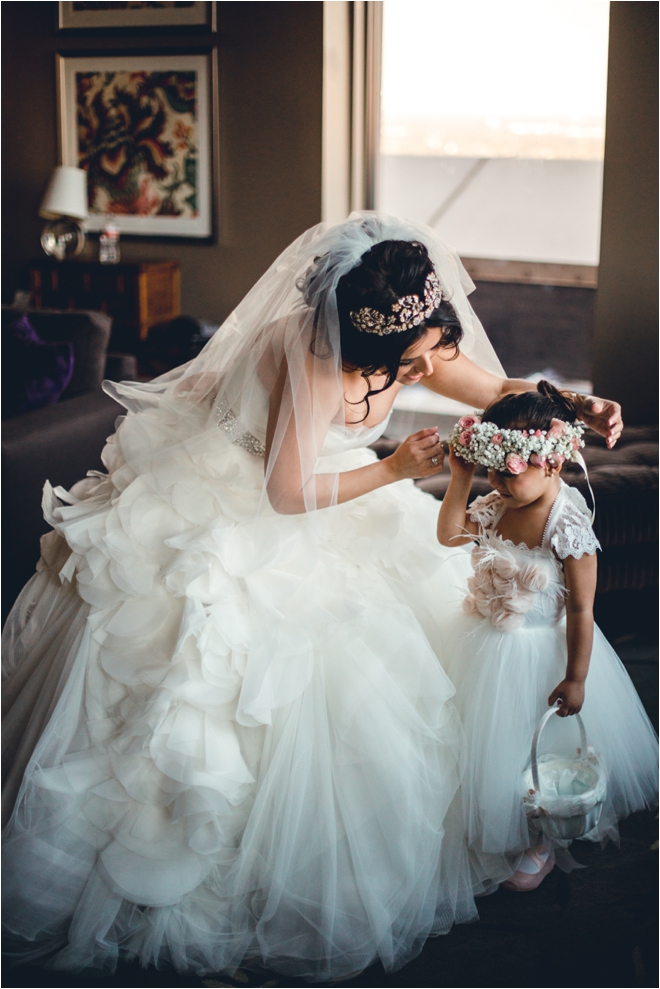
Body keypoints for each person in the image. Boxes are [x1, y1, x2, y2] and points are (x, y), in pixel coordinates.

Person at [2, 213, 623, 981]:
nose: (431, 367)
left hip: (333, 476)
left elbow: (498, 388)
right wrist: (396, 471)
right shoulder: (313, 353)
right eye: (415, 359)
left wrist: (576, 406)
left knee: (419, 632)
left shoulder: (413, 337)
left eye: (438, 345)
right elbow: (286, 491)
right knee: (241, 668)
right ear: (364, 348)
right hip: (247, 493)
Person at [437, 382, 658, 893]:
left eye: (510, 470)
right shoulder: (495, 503)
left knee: (536, 750)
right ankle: (487, 819)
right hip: (482, 643)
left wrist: (576, 677)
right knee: (480, 743)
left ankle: (539, 837)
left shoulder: (568, 524)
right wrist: (460, 478)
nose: (499, 480)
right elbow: (450, 535)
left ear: (553, 463)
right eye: (491, 466)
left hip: (541, 654)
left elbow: (582, 607)